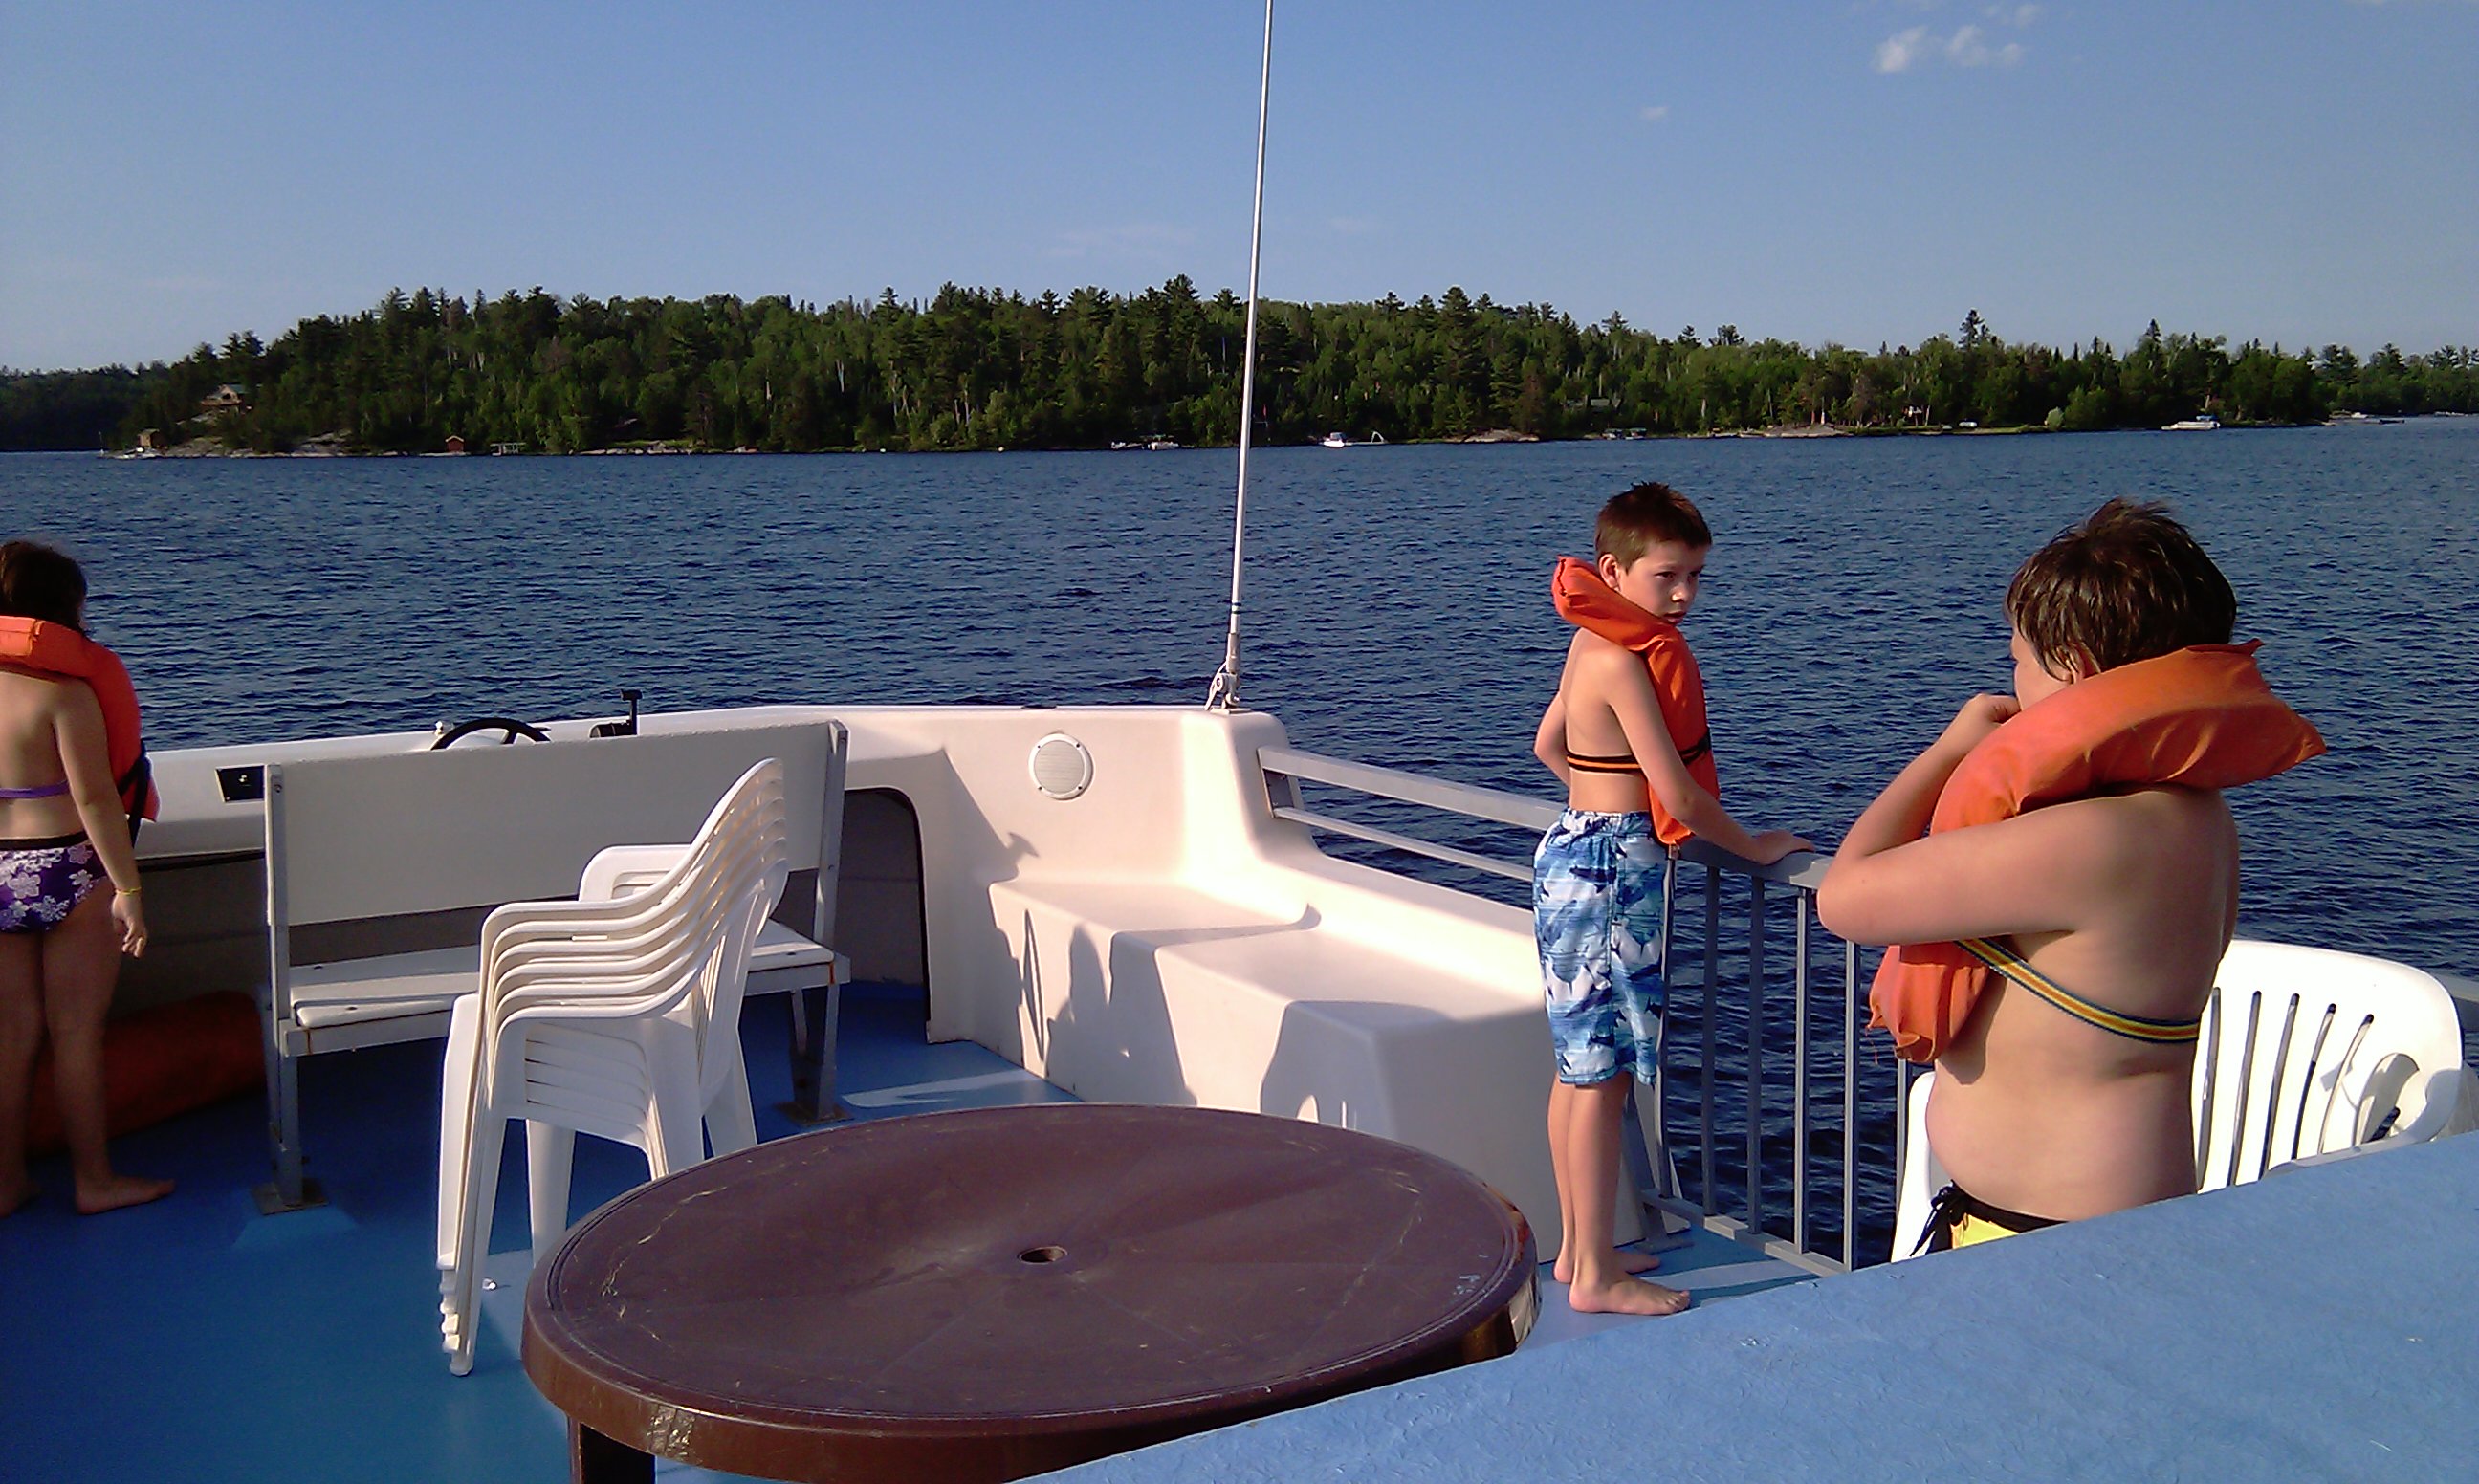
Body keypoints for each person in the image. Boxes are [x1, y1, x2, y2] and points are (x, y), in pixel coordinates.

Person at [1817, 499, 2319, 1252]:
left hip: (2055, 1242)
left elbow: (1844, 899)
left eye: (2019, 661)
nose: (2012, 682)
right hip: (2105, 1224)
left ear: (2073, 669)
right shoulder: (2196, 816)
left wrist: (1949, 753)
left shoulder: (2096, 840)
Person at [1532, 482, 1810, 1314]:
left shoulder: (1588, 642)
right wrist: (1754, 846)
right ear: (1613, 570)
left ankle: (1577, 1254)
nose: (1685, 595)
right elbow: (1680, 794)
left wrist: (1594, 798)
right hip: (1615, 871)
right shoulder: (1623, 661)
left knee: (1577, 1071)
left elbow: (1546, 744)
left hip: (1571, 850)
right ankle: (1597, 1277)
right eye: (1668, 576)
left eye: (1696, 577)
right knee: (1604, 1077)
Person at [0, 539, 170, 1216]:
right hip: (66, 865)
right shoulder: (66, 695)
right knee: (74, 1035)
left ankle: (5, 1182)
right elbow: (98, 800)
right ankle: (94, 1182)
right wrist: (128, 892)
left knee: (11, 1037)